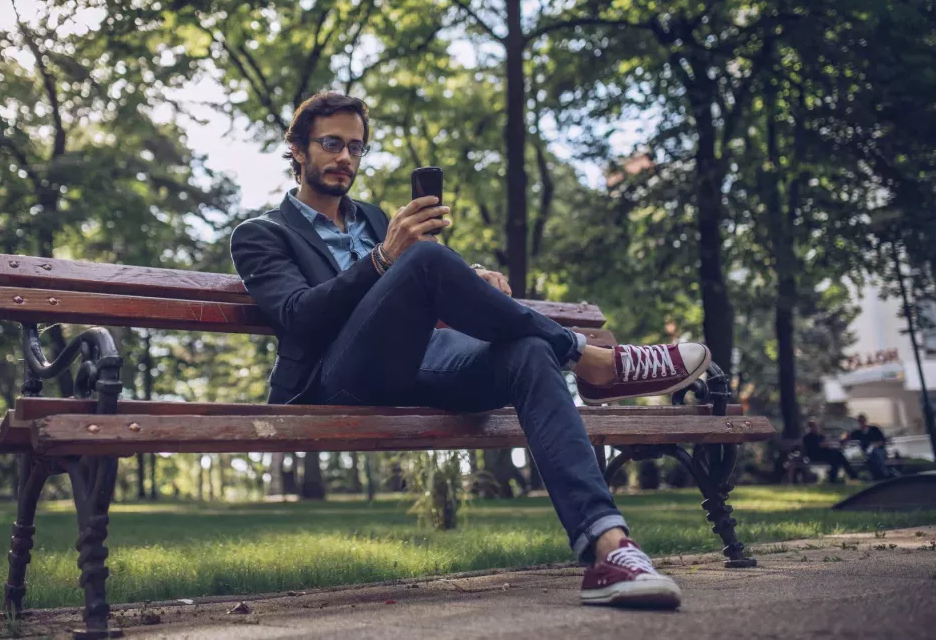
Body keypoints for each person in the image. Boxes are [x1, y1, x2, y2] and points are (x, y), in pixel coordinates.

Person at [230, 92, 717, 609]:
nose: (345, 158)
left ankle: (610, 551)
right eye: (331, 143)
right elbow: (299, 316)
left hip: (418, 365)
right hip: (334, 381)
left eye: (356, 147)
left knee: (528, 349)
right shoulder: (263, 233)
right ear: (299, 151)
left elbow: (417, 291)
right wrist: (386, 258)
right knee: (425, 259)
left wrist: (473, 281)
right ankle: (589, 358)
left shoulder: (375, 218)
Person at [845, 414, 894, 480]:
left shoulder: (874, 429)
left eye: (862, 421)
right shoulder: (857, 432)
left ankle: (880, 475)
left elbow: (883, 440)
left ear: (865, 421)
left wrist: (876, 444)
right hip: (866, 452)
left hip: (879, 450)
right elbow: (847, 438)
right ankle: (884, 474)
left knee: (875, 453)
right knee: (872, 455)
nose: (861, 423)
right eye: (859, 422)